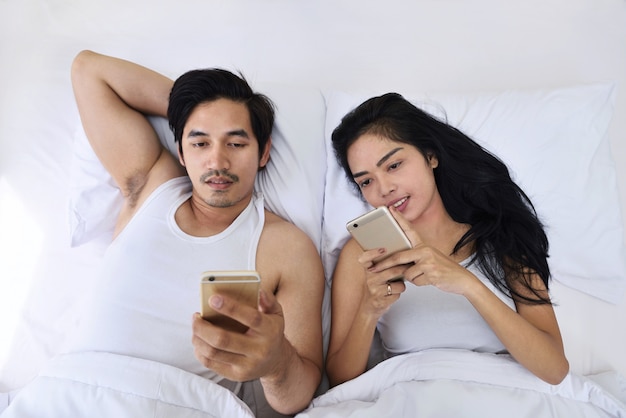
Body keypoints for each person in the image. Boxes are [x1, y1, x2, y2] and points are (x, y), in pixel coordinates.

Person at [68, 50, 324, 416]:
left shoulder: (286, 247)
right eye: (200, 142)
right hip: (68, 392)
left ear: (264, 152)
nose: (217, 161)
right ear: (182, 153)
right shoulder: (150, 188)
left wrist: (277, 363)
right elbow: (89, 71)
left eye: (236, 143)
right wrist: (194, 106)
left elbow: (294, 400)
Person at [325, 92, 569, 388]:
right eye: (366, 181)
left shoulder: (500, 235)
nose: (384, 188)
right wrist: (369, 310)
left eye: (394, 165)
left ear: (431, 156)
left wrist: (468, 284)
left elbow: (555, 369)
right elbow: (340, 381)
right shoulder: (362, 254)